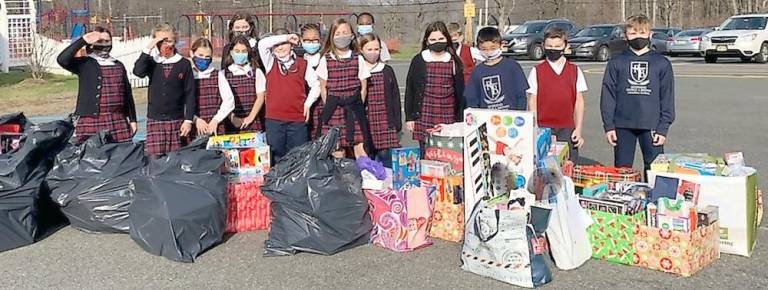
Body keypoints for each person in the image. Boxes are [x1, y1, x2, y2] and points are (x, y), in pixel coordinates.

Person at [601, 14, 675, 171]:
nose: (638, 37)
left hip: (651, 125)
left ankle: (655, 196)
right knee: (622, 169)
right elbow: (608, 95)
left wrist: (663, 127)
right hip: (622, 125)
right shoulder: (617, 61)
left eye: (642, 33)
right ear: (626, 35)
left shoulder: (661, 63)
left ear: (650, 34)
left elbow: (667, 97)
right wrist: (609, 126)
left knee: (655, 169)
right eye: (633, 33)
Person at [57, 26, 137, 144]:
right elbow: (62, 59)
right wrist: (83, 40)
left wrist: (133, 119)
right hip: (91, 120)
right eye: (99, 41)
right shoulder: (84, 63)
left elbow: (127, 94)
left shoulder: (118, 65)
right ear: (92, 44)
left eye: (107, 41)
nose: (104, 44)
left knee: (121, 157)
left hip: (117, 120)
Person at [133, 23, 196, 156]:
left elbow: (190, 94)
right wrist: (148, 48)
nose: (165, 44)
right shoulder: (152, 62)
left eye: (169, 40)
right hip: (155, 119)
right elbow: (138, 72)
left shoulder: (183, 64)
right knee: (155, 160)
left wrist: (188, 120)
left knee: (176, 159)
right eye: (161, 41)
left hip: (177, 119)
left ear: (175, 41)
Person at [527, 27, 587, 163]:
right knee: (543, 166)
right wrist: (534, 128)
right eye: (549, 46)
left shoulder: (575, 70)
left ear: (566, 47)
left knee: (567, 166)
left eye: (558, 46)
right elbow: (532, 101)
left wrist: (578, 129)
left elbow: (579, 102)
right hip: (543, 127)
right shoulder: (536, 71)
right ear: (543, 46)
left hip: (567, 127)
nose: (553, 49)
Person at [257, 32, 321, 161]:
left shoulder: (303, 64)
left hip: (297, 120)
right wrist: (285, 37)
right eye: (276, 45)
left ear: (291, 45)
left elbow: (316, 85)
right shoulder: (270, 63)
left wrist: (308, 104)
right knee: (276, 156)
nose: (280, 48)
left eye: (284, 44)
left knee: (298, 156)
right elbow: (262, 44)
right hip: (274, 120)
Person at [314, 18, 372, 155]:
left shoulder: (358, 58)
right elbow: (323, 88)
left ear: (352, 35)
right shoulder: (325, 59)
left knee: (360, 149)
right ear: (332, 37)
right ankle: (339, 175)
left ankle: (363, 174)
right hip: (333, 108)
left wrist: (358, 105)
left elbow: (363, 86)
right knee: (336, 149)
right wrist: (329, 104)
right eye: (338, 33)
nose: (341, 36)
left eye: (345, 32)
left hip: (354, 107)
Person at [404, 21, 465, 151]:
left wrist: (460, 118)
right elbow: (410, 89)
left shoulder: (453, 60)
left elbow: (460, 92)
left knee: (447, 152)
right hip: (424, 113)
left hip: (448, 114)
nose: (437, 42)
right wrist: (410, 118)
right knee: (426, 152)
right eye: (433, 39)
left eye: (441, 38)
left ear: (447, 39)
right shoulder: (419, 60)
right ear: (427, 41)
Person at [360, 33, 401, 167]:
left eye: (376, 49)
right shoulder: (357, 70)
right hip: (365, 121)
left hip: (384, 121)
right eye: (369, 49)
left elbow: (395, 97)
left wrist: (396, 122)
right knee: (367, 158)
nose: (373, 53)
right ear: (361, 49)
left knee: (386, 157)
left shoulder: (387, 70)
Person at [465, 26, 528, 111]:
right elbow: (472, 99)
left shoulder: (512, 66)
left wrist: (520, 114)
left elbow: (521, 95)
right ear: (478, 48)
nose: (489, 52)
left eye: (493, 48)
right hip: (487, 118)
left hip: (510, 118)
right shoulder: (477, 71)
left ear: (501, 45)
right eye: (484, 49)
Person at [189, 38, 234, 137]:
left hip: (215, 127)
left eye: (207, 57)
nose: (204, 59)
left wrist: (216, 120)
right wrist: (195, 119)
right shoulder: (187, 75)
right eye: (200, 55)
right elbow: (180, 103)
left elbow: (229, 101)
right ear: (192, 53)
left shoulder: (217, 75)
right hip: (192, 126)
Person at [221, 35, 267, 133]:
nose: (240, 54)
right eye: (237, 51)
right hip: (231, 122)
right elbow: (222, 99)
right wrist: (232, 118)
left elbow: (260, 97)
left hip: (253, 120)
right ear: (231, 52)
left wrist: (250, 117)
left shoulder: (256, 71)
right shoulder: (223, 74)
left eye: (244, 51)